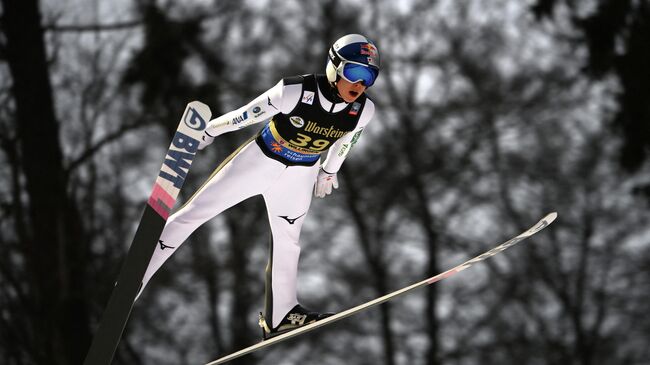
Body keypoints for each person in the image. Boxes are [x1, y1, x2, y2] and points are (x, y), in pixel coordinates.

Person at [139, 34, 380, 339]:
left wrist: (329, 171)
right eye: (354, 73)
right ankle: (138, 275)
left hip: (301, 174)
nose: (359, 85)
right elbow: (246, 115)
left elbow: (346, 142)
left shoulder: (363, 111)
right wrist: (210, 130)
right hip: (261, 160)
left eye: (368, 77)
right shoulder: (295, 90)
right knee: (196, 213)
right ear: (334, 67)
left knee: (288, 241)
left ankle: (281, 314)